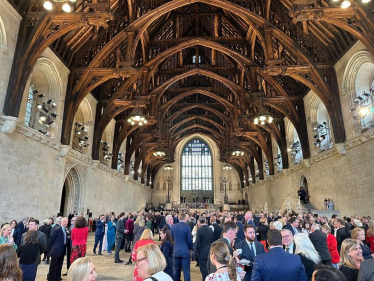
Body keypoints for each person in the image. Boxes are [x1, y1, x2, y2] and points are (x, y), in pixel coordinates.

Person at [170, 212, 193, 281]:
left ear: (178, 218)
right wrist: (190, 248)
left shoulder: (173, 227)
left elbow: (172, 238)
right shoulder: (187, 227)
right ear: (185, 218)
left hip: (176, 251)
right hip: (185, 251)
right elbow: (189, 241)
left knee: (176, 271)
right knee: (186, 271)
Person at [47, 217, 68, 281]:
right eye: (65, 221)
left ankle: (57, 278)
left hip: (62, 250)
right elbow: (51, 240)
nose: (66, 223)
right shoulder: (57, 229)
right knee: (53, 266)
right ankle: (51, 278)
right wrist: (51, 249)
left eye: (67, 221)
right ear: (61, 222)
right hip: (56, 251)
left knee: (59, 265)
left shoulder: (65, 230)